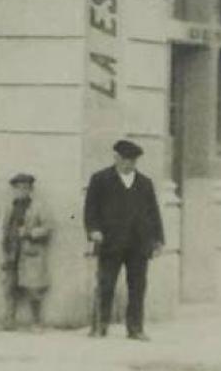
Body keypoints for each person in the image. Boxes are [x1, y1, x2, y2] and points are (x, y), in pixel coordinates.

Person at [82, 138, 165, 341]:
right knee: (105, 284)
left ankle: (135, 328)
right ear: (116, 158)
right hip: (110, 242)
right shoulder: (100, 179)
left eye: (134, 161)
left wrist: (158, 239)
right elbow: (90, 209)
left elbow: (153, 212)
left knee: (137, 287)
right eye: (126, 160)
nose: (130, 165)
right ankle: (100, 326)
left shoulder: (145, 183)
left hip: (138, 244)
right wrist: (93, 230)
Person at [0, 172, 52, 330]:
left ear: (31, 189)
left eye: (25, 187)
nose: (22, 190)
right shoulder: (9, 207)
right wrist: (2, 252)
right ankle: (9, 320)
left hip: (30, 253)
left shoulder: (39, 207)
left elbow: (48, 228)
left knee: (33, 288)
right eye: (18, 188)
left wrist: (29, 232)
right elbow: (2, 230)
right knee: (9, 287)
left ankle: (36, 321)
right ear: (14, 189)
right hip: (11, 252)